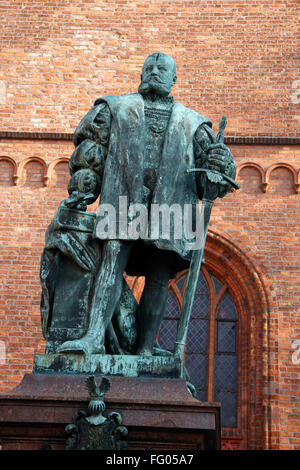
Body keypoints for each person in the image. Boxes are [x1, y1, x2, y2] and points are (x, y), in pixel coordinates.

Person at [57, 52, 236, 355]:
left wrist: (220, 165)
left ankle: (145, 350)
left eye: (162, 68)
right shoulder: (114, 107)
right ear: (141, 74)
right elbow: (91, 154)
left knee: (159, 273)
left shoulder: (194, 123)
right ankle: (93, 338)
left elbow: (215, 178)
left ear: (173, 78)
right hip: (123, 196)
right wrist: (82, 192)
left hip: (173, 205)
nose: (155, 72)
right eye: (149, 67)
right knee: (111, 261)